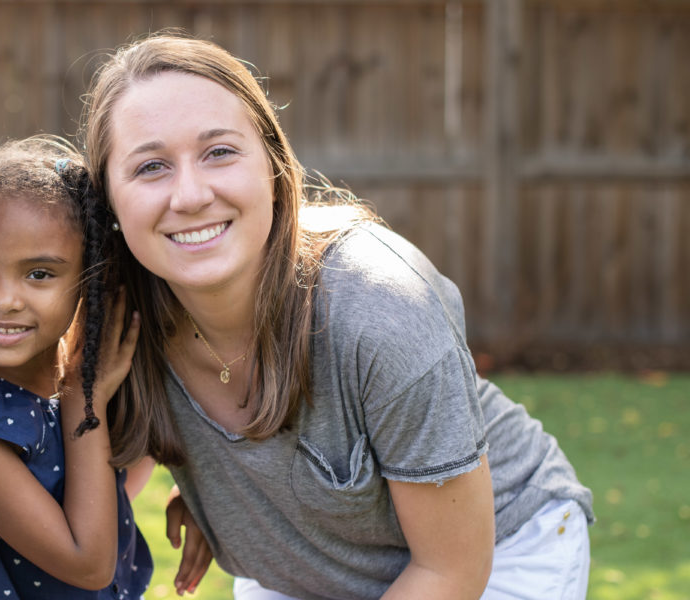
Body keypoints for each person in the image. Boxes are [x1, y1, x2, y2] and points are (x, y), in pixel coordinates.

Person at [79, 33, 595, 600]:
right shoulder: (117, 323)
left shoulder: (383, 307)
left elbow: (451, 571)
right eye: (150, 166)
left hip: (501, 552)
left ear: (273, 167)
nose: (191, 194)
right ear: (108, 202)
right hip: (303, 565)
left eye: (219, 152)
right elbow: (80, 522)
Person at [0, 136, 154, 599]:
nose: (5, 301)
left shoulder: (92, 363)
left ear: (90, 276)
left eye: (39, 274)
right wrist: (80, 400)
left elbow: (129, 468)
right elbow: (88, 565)